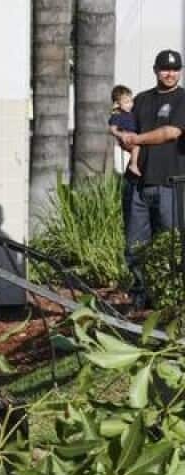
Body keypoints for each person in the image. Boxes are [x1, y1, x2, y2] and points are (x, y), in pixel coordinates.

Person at [114, 49, 185, 309]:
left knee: (170, 245)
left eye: (175, 69)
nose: (170, 73)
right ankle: (140, 296)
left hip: (170, 184)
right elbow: (127, 130)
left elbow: (170, 132)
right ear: (155, 70)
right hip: (137, 185)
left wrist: (137, 139)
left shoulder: (182, 99)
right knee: (135, 246)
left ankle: (171, 300)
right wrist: (123, 138)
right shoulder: (142, 99)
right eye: (165, 68)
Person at [109, 85, 141, 177]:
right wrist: (121, 135)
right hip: (126, 138)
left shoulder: (130, 113)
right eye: (126, 102)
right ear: (117, 104)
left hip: (133, 136)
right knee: (137, 147)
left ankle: (134, 164)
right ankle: (133, 165)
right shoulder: (117, 114)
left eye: (131, 101)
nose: (130, 104)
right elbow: (112, 129)